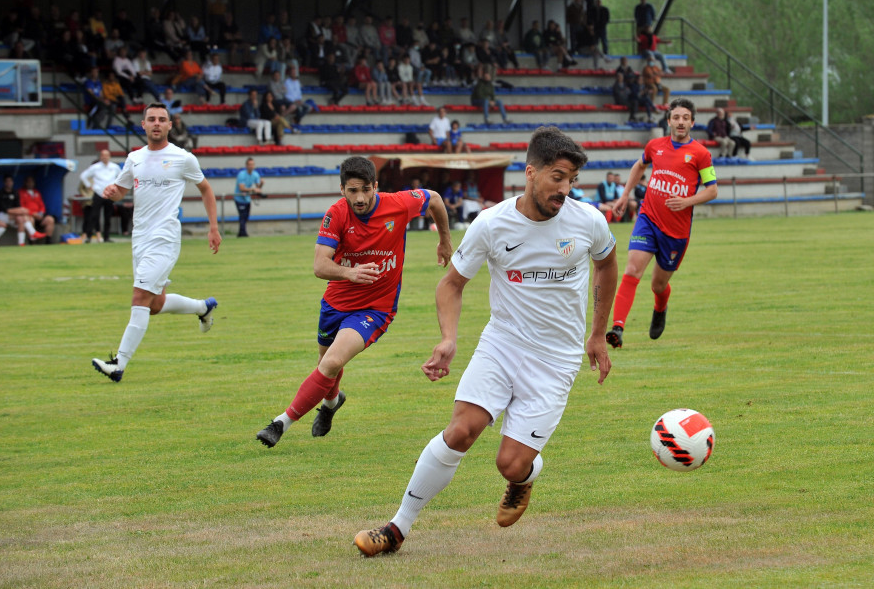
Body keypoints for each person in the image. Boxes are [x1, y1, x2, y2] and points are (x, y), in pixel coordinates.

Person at [353, 126, 619, 557]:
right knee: (460, 431)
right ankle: (397, 528)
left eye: (571, 180)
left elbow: (607, 266)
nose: (565, 189)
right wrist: (448, 339)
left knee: (509, 465)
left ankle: (525, 478)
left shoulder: (587, 220)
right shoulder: (492, 224)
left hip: (556, 360)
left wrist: (597, 335)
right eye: (557, 177)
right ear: (530, 173)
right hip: (503, 344)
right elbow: (451, 284)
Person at [255, 156, 453, 448]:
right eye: (352, 191)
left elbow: (433, 199)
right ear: (342, 189)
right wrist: (350, 272)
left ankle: (280, 423)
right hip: (335, 304)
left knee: (332, 361)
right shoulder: (335, 215)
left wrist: (445, 239)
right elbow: (320, 266)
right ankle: (332, 402)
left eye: (365, 190)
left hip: (376, 308)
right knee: (326, 365)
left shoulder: (398, 204)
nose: (359, 198)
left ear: (376, 186)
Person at [92, 102, 221, 383]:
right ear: (143, 124)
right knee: (153, 303)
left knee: (139, 297)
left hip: (165, 239)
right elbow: (121, 190)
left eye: (162, 119)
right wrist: (112, 192)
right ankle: (203, 307)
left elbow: (206, 189)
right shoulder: (134, 158)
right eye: (151, 119)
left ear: (170, 125)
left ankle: (118, 364)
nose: (157, 124)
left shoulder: (183, 158)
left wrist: (213, 227)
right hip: (139, 239)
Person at [606, 98, 719, 349]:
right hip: (648, 218)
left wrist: (687, 201)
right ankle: (617, 328)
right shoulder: (654, 146)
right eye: (676, 117)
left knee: (658, 284)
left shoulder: (701, 154)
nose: (680, 122)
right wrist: (625, 194)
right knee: (632, 270)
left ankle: (661, 306)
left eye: (685, 118)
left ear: (692, 122)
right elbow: (639, 165)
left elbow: (712, 191)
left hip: (676, 232)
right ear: (668, 121)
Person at [79, 149, 123, 243]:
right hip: (98, 193)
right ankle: (89, 236)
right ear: (100, 157)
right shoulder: (95, 167)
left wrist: (116, 187)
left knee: (108, 216)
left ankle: (106, 237)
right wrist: (89, 185)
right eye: (103, 155)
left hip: (110, 194)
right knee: (94, 215)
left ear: (109, 156)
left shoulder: (114, 167)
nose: (105, 157)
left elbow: (121, 177)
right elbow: (83, 176)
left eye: (107, 155)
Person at [0, 175, 40, 246]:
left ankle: (21, 243)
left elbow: (18, 206)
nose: (9, 183)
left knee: (21, 218)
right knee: (23, 213)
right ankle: (32, 232)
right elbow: (4, 209)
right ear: (4, 183)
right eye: (7, 181)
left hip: (13, 216)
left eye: (10, 181)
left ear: (13, 182)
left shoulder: (15, 192)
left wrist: (19, 211)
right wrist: (19, 211)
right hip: (1, 215)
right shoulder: (0, 193)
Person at [18, 176, 55, 243]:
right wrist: (33, 214)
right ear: (25, 183)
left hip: (39, 216)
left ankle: (48, 241)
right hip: (29, 215)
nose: (30, 184)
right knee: (30, 220)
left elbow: (42, 205)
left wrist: (41, 213)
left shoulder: (37, 192)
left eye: (32, 182)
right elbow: (22, 207)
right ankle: (32, 241)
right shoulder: (21, 192)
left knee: (50, 219)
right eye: (28, 182)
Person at [234, 157, 262, 237]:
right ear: (246, 165)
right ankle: (243, 233)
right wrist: (253, 189)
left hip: (247, 199)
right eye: (249, 164)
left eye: (252, 164)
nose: (251, 166)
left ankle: (241, 233)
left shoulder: (255, 174)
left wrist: (262, 183)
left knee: (246, 216)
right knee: (242, 216)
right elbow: (242, 188)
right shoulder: (241, 175)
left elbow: (258, 188)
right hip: (239, 198)